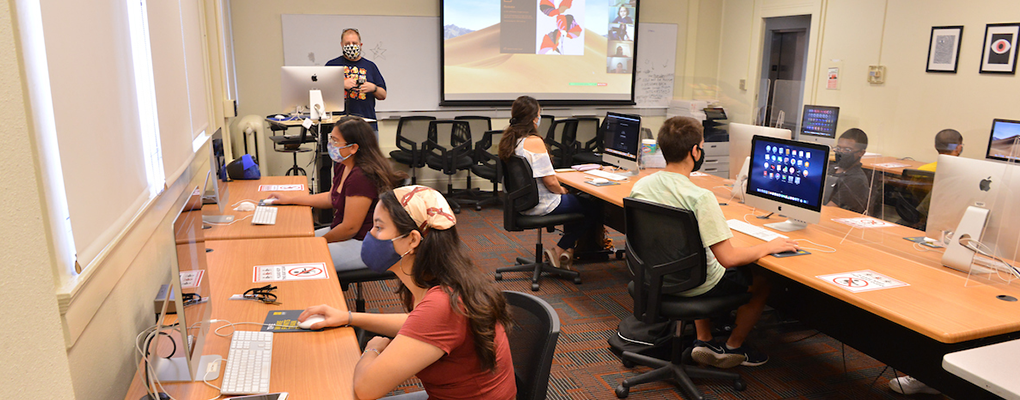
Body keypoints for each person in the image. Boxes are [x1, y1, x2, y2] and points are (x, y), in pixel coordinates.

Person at [298, 186, 516, 400]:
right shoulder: (439, 280)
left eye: (379, 228)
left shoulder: (443, 304)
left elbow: (366, 389)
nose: (369, 235)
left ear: (412, 240)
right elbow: (417, 324)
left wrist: (372, 349)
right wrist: (348, 317)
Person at [630, 116, 798, 368]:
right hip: (694, 284)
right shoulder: (700, 197)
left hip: (655, 277)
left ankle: (705, 339)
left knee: (701, 256)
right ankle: (734, 347)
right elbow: (728, 258)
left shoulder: (642, 185)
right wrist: (768, 246)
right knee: (762, 280)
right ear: (695, 151)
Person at [267, 116, 406, 272]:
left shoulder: (361, 177)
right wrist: (291, 199)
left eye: (335, 140)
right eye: (331, 139)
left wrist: (320, 242)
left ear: (353, 148)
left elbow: (350, 228)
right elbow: (331, 197)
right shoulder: (344, 164)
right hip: (347, 234)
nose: (331, 145)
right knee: (293, 246)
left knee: (299, 256)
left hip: (364, 243)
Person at [497, 95, 602, 271]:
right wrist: (562, 190)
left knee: (576, 203)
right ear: (533, 119)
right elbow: (551, 181)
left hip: (522, 202)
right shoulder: (534, 142)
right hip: (541, 203)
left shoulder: (510, 140)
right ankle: (559, 249)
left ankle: (565, 254)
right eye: (538, 114)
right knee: (593, 206)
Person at [325, 28, 387, 130]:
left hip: (367, 126)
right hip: (339, 126)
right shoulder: (332, 65)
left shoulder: (370, 66)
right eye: (347, 43)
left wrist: (373, 88)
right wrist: (341, 85)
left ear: (360, 45)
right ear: (341, 45)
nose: (351, 45)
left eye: (354, 43)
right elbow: (321, 93)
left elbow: (383, 95)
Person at [827, 128, 872, 214]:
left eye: (847, 150)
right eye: (839, 148)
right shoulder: (831, 169)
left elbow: (829, 209)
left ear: (861, 153)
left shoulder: (856, 180)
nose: (841, 152)